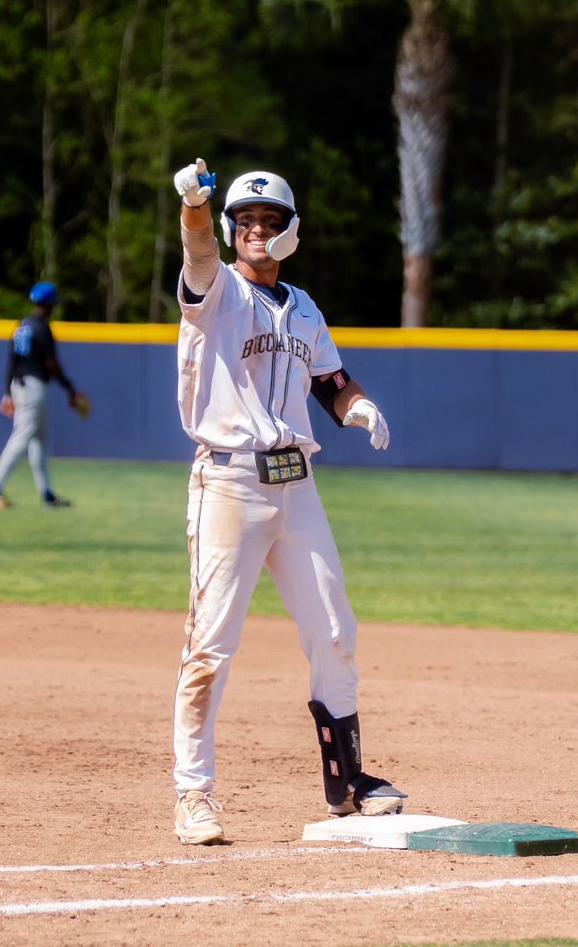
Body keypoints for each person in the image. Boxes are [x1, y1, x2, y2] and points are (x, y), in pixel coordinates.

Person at [170, 159, 407, 846]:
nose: (255, 230)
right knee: (211, 643)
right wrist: (191, 206)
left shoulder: (303, 308)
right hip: (230, 483)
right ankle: (194, 795)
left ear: (290, 231)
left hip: (296, 483)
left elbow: (332, 379)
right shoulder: (217, 291)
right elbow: (197, 251)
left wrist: (359, 406)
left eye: (269, 221)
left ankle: (349, 783)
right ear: (229, 228)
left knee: (336, 630)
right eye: (244, 220)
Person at [0, 282, 86, 509]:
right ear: (50, 305)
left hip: (20, 385)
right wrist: (69, 388)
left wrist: (8, 392)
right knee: (22, 438)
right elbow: (51, 363)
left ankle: (47, 495)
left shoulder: (22, 326)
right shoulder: (41, 328)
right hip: (33, 388)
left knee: (38, 440)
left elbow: (12, 361)